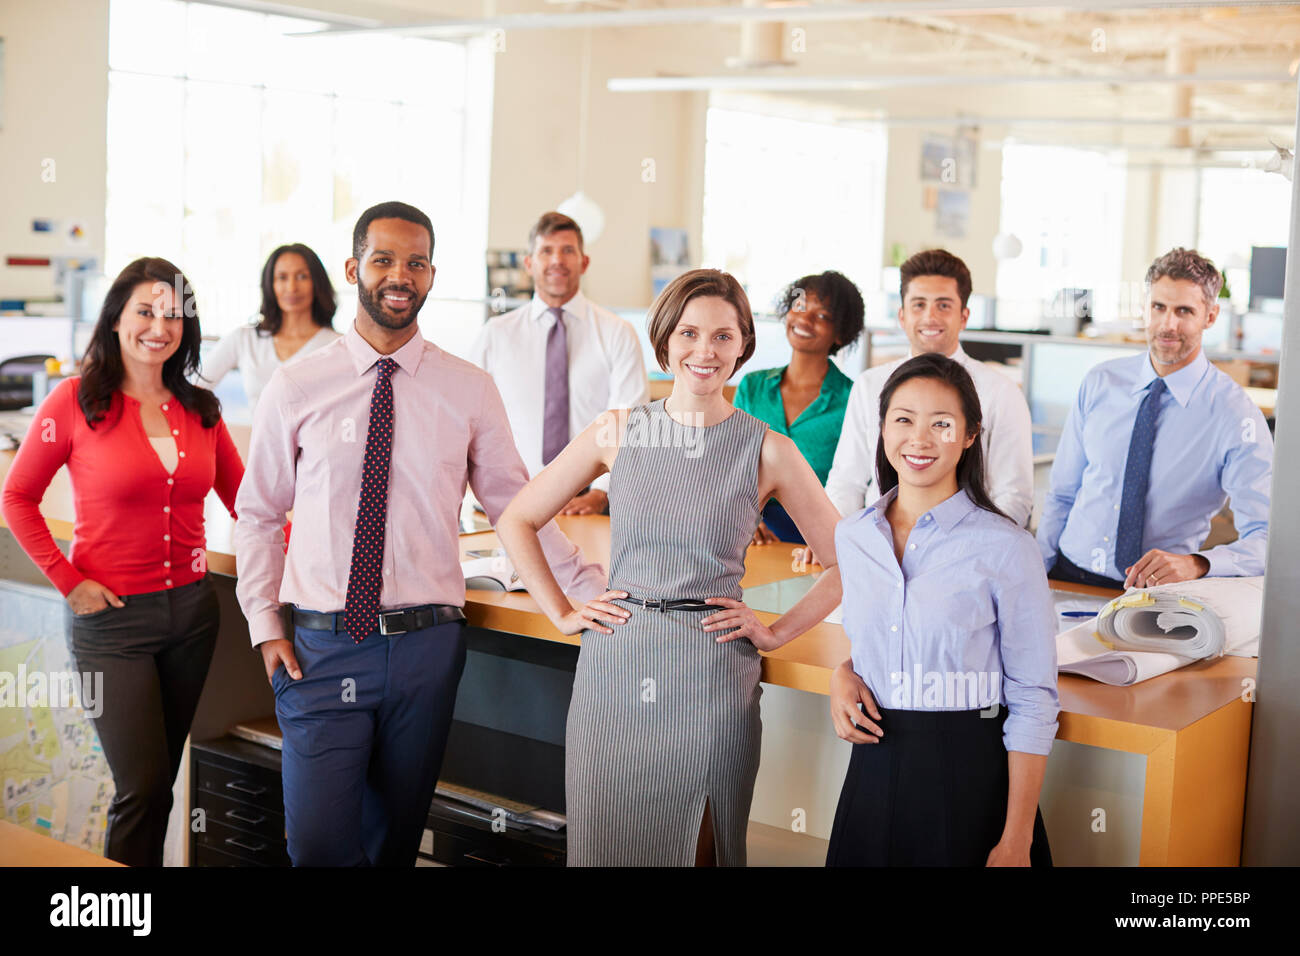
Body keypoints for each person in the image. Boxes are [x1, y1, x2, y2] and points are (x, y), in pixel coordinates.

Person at [233, 201, 606, 867]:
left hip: (426, 651)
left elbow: (517, 506)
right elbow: (258, 513)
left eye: (415, 262)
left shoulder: (468, 389)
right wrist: (265, 623)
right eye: (382, 260)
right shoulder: (296, 386)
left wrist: (584, 588)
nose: (398, 275)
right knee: (318, 847)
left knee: (393, 848)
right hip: (322, 648)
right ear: (353, 268)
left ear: (432, 275)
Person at [495, 269, 844, 866]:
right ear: (664, 341)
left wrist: (776, 632)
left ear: (742, 346)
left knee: (696, 849)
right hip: (616, 667)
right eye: (688, 333)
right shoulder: (618, 431)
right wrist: (561, 611)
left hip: (711, 673)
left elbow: (847, 563)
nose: (704, 351)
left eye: (722, 336)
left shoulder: (768, 449)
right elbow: (517, 518)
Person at [1, 257, 243, 866]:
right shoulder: (75, 402)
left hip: (192, 616)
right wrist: (69, 581)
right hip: (112, 625)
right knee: (140, 788)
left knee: (159, 789)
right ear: (115, 319)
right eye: (144, 311)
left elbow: (252, 505)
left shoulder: (202, 409)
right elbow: (17, 496)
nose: (158, 326)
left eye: (172, 314)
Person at [827, 352, 1057, 866]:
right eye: (903, 420)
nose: (919, 439)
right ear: (881, 427)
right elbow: (883, 640)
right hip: (874, 767)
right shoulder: (856, 536)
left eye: (942, 424)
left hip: (970, 776)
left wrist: (1016, 837)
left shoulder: (1007, 548)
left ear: (971, 435)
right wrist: (843, 672)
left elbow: (1034, 699)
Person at [1037, 247, 1273, 590]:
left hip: (1157, 595)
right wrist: (1035, 571)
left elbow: (1267, 538)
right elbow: (1062, 493)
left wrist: (1199, 563)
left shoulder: (1235, 415)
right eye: (1158, 307)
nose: (1168, 324)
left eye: (1184, 311)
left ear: (1210, 316)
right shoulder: (1101, 382)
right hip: (1067, 574)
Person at [824, 249, 1034, 550]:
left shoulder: (1000, 392)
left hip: (965, 549)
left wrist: (980, 552)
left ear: (964, 316)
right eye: (918, 305)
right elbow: (847, 481)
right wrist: (837, 542)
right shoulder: (870, 385)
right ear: (902, 315)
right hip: (877, 546)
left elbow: (1013, 495)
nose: (930, 317)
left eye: (943, 305)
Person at [467, 211, 649, 515]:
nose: (557, 261)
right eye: (546, 251)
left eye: (568, 251)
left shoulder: (617, 333)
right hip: (510, 499)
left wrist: (601, 495)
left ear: (584, 262)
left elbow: (629, 423)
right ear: (529, 263)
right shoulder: (495, 335)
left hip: (589, 501)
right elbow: (469, 419)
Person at [733, 271, 864, 545]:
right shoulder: (752, 386)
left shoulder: (853, 397)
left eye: (822, 316)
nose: (805, 319)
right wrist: (745, 518)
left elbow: (852, 482)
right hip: (753, 535)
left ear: (840, 334)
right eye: (799, 307)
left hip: (821, 539)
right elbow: (733, 465)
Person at [196, 243, 340, 409]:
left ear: (317, 283)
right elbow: (195, 390)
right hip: (258, 436)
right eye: (282, 277)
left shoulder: (337, 345)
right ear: (270, 284)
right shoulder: (245, 339)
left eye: (302, 277)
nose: (292, 288)